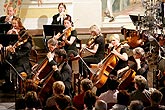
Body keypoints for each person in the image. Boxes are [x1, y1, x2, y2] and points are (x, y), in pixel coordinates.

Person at [3, 17, 32, 91]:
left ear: (23, 38)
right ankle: (8, 84)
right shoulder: (21, 42)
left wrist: (13, 52)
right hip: (17, 62)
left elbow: (19, 55)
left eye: (19, 38)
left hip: (23, 64)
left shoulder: (27, 45)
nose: (18, 39)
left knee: (11, 70)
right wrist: (10, 46)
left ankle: (13, 87)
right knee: (5, 66)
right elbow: (13, 44)